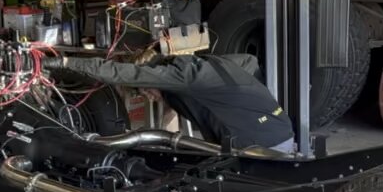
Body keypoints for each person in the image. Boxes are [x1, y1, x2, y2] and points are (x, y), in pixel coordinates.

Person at [52, 52, 296, 153]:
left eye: (147, 90)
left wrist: (66, 63)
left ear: (159, 77)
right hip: (282, 130)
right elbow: (250, 61)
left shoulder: (184, 76)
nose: (149, 96)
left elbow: (121, 72)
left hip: (262, 147)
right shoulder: (206, 68)